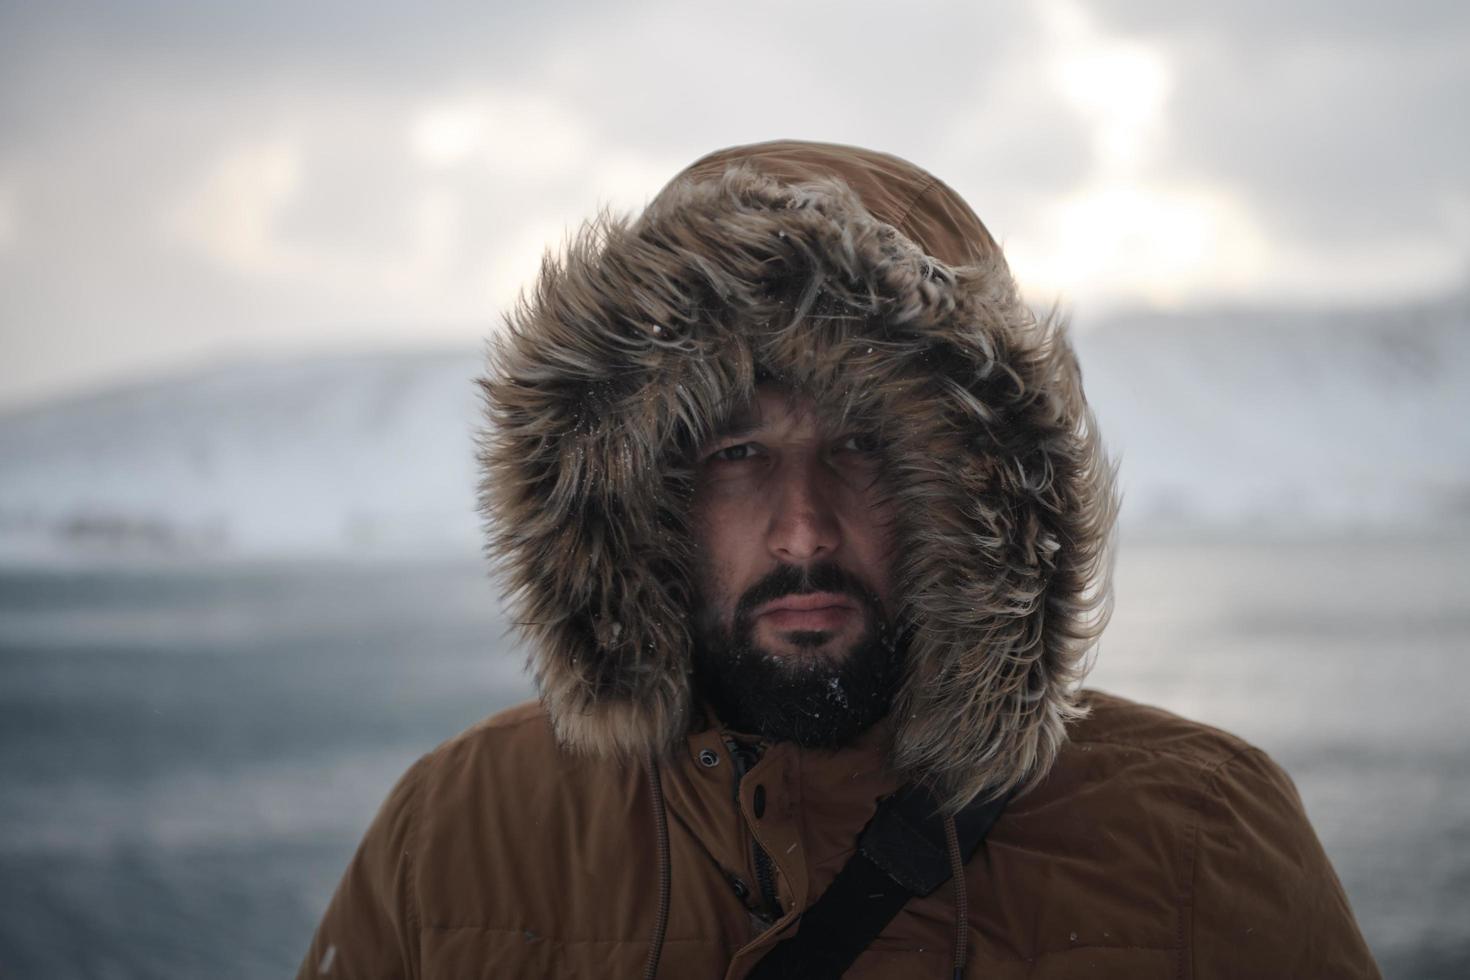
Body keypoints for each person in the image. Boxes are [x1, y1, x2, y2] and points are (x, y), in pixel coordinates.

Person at [298, 141, 1380, 978]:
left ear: (981, 491)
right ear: (640, 499)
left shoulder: (1199, 837)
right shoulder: (458, 832)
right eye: (738, 454)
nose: (803, 529)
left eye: (865, 446)